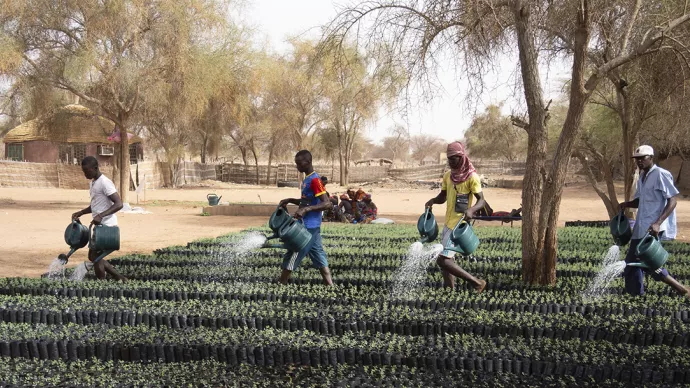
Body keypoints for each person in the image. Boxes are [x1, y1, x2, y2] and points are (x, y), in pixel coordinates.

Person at [619, 145, 689, 298]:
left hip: (652, 228)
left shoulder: (660, 174)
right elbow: (641, 201)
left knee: (643, 262)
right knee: (635, 263)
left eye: (642, 158)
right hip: (641, 227)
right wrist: (627, 204)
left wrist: (658, 222)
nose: (639, 161)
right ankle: (636, 295)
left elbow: (672, 201)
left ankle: (679, 289)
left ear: (651, 158)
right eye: (637, 159)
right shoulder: (642, 177)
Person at [425, 141, 487, 293]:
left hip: (459, 226)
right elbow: (443, 196)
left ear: (461, 157)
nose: (450, 162)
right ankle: (448, 289)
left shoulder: (472, 177)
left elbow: (481, 200)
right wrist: (433, 201)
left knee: (443, 259)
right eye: (449, 159)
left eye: (453, 159)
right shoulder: (448, 176)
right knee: (447, 260)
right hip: (448, 224)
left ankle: (477, 283)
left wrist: (471, 210)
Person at [278, 150, 334, 286]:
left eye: (299, 163)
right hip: (310, 226)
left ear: (308, 162)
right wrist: (291, 200)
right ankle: (330, 286)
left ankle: (282, 282)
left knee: (294, 251)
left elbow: (327, 203)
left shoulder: (315, 180)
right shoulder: (307, 179)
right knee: (319, 255)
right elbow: (307, 201)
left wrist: (306, 209)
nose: (297, 166)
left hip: (308, 226)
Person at [71, 156, 127, 281]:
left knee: (95, 256)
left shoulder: (105, 183)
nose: (85, 174)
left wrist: (101, 216)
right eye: (84, 171)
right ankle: (119, 278)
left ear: (95, 168)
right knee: (94, 256)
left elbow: (119, 204)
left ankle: (103, 282)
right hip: (99, 226)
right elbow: (96, 205)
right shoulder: (93, 183)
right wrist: (81, 212)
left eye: (87, 171)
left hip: (107, 226)